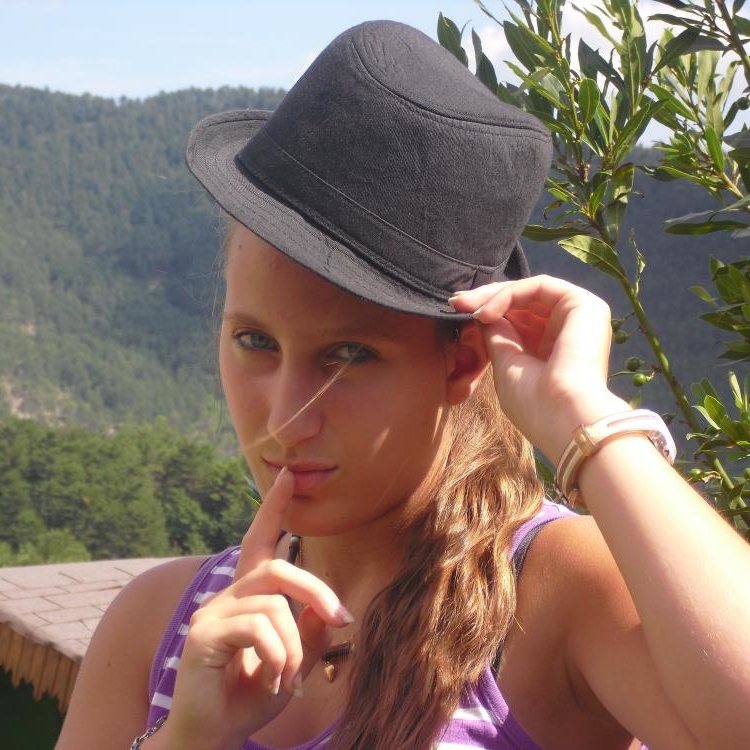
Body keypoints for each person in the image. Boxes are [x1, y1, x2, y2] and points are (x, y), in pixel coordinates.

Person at [56, 20, 750, 750]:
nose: (285, 419)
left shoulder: (555, 598)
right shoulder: (160, 625)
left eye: (350, 355)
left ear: (462, 363)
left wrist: (588, 422)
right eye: (255, 342)